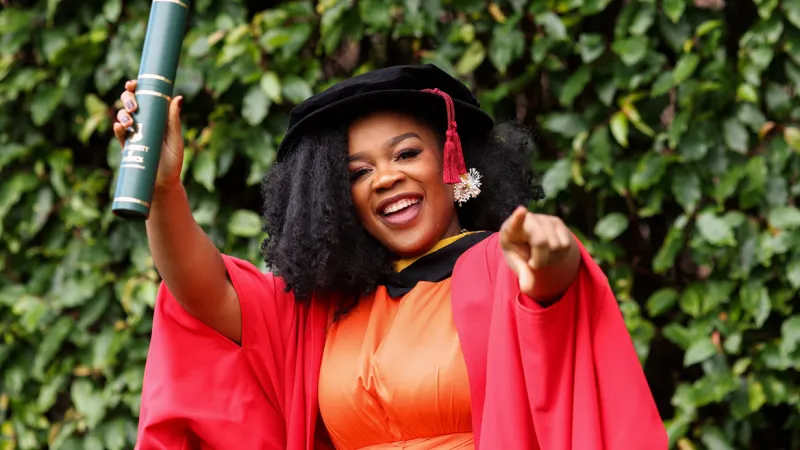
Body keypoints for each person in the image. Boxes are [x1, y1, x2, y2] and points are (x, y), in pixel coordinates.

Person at [113, 64, 667, 449]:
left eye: (406, 152)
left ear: (454, 163)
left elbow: (551, 301)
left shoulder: (500, 267)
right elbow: (206, 294)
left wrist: (555, 259)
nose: (387, 178)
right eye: (358, 172)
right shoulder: (324, 311)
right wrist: (165, 192)